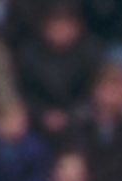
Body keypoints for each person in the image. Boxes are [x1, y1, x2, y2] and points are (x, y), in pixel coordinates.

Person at [15, 3, 103, 140]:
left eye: (66, 26)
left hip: (82, 122)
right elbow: (23, 92)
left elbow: (96, 92)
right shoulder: (28, 55)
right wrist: (43, 114)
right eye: (55, 26)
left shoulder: (92, 53)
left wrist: (69, 116)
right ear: (44, 28)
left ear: (77, 27)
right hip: (38, 122)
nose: (61, 31)